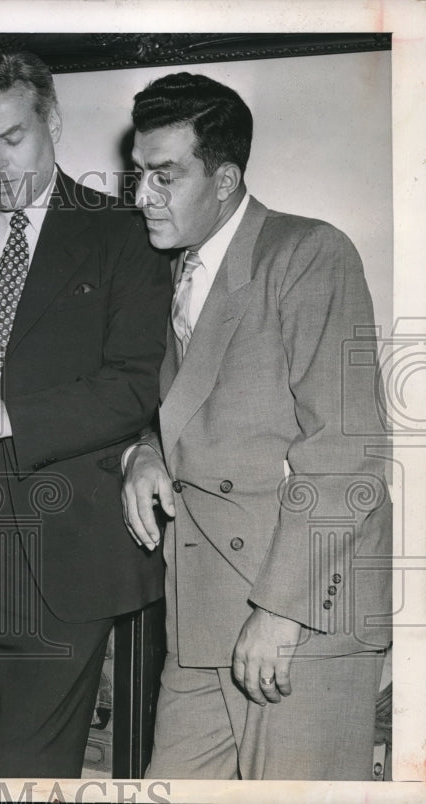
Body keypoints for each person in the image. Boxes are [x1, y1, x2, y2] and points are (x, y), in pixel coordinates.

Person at [0, 51, 171, 778]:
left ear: (51, 122)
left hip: (62, 557)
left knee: (27, 771)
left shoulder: (123, 234)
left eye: (11, 139)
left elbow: (137, 384)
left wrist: (10, 416)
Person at [121, 72, 392, 779]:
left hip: (295, 619)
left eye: (163, 176)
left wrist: (280, 614)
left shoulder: (307, 255)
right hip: (204, 616)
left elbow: (345, 457)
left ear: (224, 178)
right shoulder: (177, 269)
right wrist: (144, 453)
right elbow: (184, 408)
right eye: (137, 174)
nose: (141, 195)